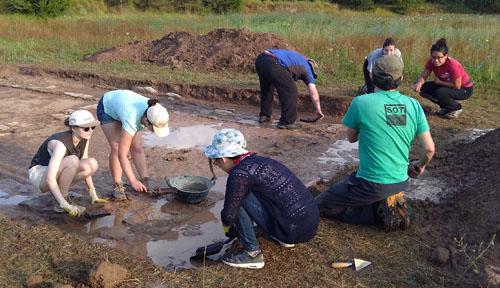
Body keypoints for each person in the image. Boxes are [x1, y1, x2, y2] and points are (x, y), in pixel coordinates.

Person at [316, 55, 435, 231]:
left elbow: (351, 138)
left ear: (372, 78)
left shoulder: (361, 103)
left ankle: (378, 213)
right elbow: (430, 149)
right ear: (400, 79)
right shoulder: (413, 105)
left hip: (370, 183)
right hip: (401, 180)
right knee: (366, 194)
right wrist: (419, 165)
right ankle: (389, 199)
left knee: (320, 205)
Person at [204, 129, 319, 269]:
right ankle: (284, 237)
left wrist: (228, 227)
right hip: (309, 225)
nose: (218, 166)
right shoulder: (259, 161)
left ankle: (252, 254)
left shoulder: (239, 174)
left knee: (238, 199)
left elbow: (229, 215)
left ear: (223, 159)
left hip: (292, 231)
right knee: (247, 193)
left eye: (216, 162)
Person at [28, 110, 107, 217]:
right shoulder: (60, 144)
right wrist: (64, 204)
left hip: (56, 170)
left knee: (92, 163)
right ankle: (62, 201)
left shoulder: (84, 138)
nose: (91, 131)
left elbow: (84, 161)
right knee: (73, 160)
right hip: (40, 175)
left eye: (93, 127)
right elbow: (49, 178)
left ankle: (61, 196)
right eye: (86, 128)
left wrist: (93, 192)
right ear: (73, 128)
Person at [96, 89, 170, 200]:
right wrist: (133, 181)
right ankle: (118, 185)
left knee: (137, 147)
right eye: (153, 129)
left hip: (124, 107)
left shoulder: (156, 111)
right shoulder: (132, 118)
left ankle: (145, 179)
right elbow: (123, 155)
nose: (154, 132)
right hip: (107, 107)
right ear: (146, 121)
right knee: (117, 148)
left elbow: (136, 148)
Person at [255, 49, 324, 129]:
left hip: (261, 59)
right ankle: (287, 122)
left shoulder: (298, 58)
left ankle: (264, 115)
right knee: (291, 90)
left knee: (267, 88)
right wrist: (318, 109)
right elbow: (313, 92)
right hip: (273, 62)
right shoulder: (308, 68)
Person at [411, 38, 473, 119]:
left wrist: (440, 82)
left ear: (446, 56)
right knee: (423, 88)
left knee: (440, 92)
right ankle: (447, 107)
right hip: (447, 85)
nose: (436, 60)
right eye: (433, 57)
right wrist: (419, 83)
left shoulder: (452, 65)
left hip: (464, 89)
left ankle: (456, 108)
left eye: (439, 57)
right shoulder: (431, 62)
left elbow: (457, 86)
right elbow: (424, 75)